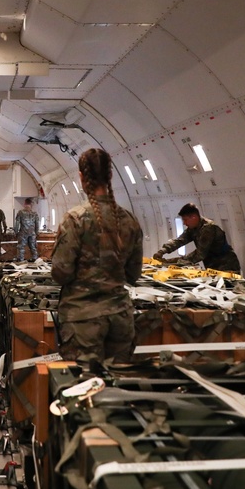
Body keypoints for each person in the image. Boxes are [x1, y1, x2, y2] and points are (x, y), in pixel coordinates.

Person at [51, 148, 143, 367]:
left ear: (82, 178)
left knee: (84, 391)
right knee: (117, 391)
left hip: (82, 322)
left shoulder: (75, 219)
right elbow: (133, 274)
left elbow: (61, 272)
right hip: (121, 318)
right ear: (110, 176)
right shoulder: (129, 220)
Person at [153, 203, 241, 273]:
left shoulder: (208, 228)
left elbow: (200, 254)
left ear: (194, 217)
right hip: (213, 266)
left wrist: (171, 261)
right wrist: (162, 251)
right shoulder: (193, 228)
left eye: (185, 219)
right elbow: (180, 241)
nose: (184, 223)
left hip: (226, 266)